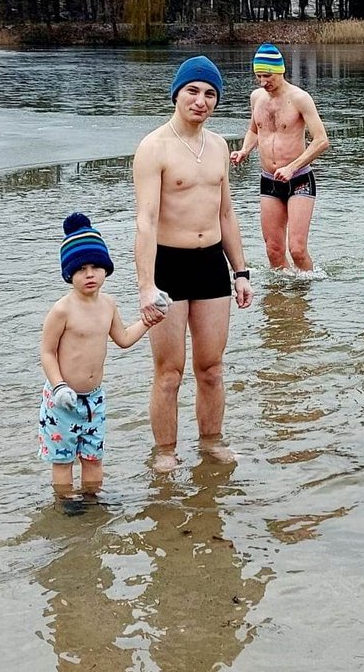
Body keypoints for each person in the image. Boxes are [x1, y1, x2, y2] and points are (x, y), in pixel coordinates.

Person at [133, 56, 253, 468]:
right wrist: (146, 285)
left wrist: (241, 271)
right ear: (177, 94)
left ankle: (211, 442)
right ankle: (165, 451)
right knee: (170, 371)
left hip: (211, 267)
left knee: (212, 368)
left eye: (210, 94)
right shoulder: (154, 147)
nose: (201, 101)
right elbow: (145, 221)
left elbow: (226, 214)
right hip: (169, 265)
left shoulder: (219, 145)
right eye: (193, 91)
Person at [39, 212, 164, 501]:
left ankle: (93, 501)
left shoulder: (108, 305)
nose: (90, 274)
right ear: (69, 273)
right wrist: (58, 386)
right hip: (62, 400)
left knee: (93, 457)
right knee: (63, 459)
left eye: (96, 266)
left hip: (94, 399)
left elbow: (122, 339)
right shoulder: (62, 310)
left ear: (106, 269)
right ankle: (66, 505)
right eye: (81, 268)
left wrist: (148, 320)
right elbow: (46, 352)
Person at [230, 42, 329, 274]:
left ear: (281, 71)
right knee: (273, 250)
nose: (263, 82)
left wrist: (292, 167)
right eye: (258, 76)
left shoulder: (300, 98)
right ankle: (281, 303)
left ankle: (303, 298)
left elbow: (321, 140)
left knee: (297, 249)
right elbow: (255, 130)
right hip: (269, 180)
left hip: (299, 179)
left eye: (268, 76)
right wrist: (244, 150)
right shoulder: (257, 97)